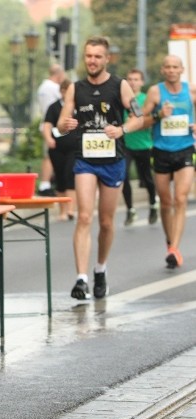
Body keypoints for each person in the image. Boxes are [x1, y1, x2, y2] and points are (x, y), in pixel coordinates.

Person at [57, 36, 143, 300]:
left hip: (113, 161)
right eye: (88, 56)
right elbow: (61, 123)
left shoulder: (120, 85)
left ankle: (100, 269)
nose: (92, 60)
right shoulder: (75, 88)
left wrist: (122, 129)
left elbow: (139, 117)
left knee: (106, 222)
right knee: (84, 217)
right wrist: (65, 125)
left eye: (97, 56)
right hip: (85, 159)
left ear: (107, 59)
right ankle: (81, 279)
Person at [141, 55, 196, 269]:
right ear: (162, 70)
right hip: (161, 151)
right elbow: (142, 120)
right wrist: (158, 115)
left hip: (184, 150)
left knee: (180, 198)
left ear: (182, 69)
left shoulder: (190, 90)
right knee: (166, 202)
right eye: (168, 67)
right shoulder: (155, 92)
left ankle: (174, 248)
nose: (171, 70)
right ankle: (170, 241)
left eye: (175, 67)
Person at [121, 68, 157, 226]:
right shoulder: (123, 99)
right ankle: (130, 210)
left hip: (144, 144)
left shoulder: (146, 99)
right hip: (126, 144)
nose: (133, 82)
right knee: (124, 176)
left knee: (147, 178)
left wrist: (137, 120)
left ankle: (153, 205)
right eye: (130, 79)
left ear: (142, 82)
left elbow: (150, 120)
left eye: (136, 79)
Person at [42, 78, 77, 220]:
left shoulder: (78, 107)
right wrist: (48, 138)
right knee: (60, 178)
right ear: (61, 92)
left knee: (71, 176)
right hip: (57, 148)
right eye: (65, 91)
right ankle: (62, 210)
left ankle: (71, 209)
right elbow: (47, 125)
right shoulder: (54, 107)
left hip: (74, 148)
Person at [37, 64, 66, 196]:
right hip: (53, 126)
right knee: (51, 155)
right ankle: (45, 183)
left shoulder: (42, 87)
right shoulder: (54, 88)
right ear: (59, 74)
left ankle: (46, 182)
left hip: (45, 124)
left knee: (48, 155)